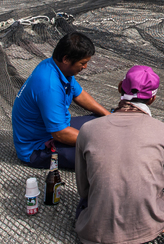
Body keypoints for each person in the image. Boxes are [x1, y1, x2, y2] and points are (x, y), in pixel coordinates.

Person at [75, 65, 164, 244]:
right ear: (152, 99)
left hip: (94, 231)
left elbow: (84, 190)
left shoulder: (88, 130)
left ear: (120, 87)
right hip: (148, 226)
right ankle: (153, 223)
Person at [11, 32, 111, 170]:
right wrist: (103, 142)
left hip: (57, 128)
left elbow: (79, 95)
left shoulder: (57, 68)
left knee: (103, 122)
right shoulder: (49, 85)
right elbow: (60, 134)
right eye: (83, 63)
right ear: (66, 59)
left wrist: (109, 116)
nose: (85, 67)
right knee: (103, 154)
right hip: (39, 147)